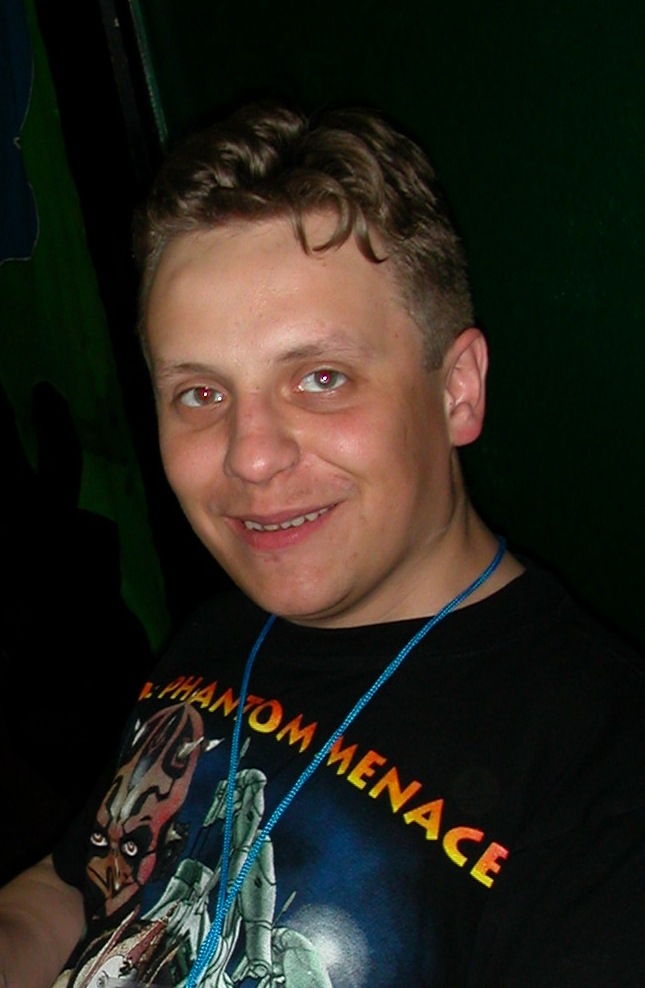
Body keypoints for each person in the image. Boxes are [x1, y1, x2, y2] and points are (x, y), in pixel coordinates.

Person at [1, 100, 644, 988]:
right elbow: (75, 887)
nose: (251, 456)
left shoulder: (603, 769)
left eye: (321, 378)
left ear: (457, 390)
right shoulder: (222, 631)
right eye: (200, 394)